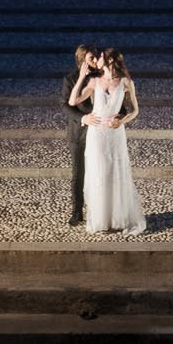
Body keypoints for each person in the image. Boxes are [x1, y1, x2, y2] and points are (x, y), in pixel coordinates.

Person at [70, 47, 146, 234]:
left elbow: (135, 111)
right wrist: (81, 78)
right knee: (99, 174)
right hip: (97, 134)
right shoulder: (94, 81)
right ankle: (100, 219)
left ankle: (117, 217)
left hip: (115, 134)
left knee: (115, 173)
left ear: (111, 61)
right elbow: (73, 101)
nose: (98, 59)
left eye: (102, 57)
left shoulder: (126, 82)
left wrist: (121, 121)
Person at [64, 44, 98, 225]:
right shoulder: (70, 79)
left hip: (100, 134)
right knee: (78, 174)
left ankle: (98, 211)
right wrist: (83, 118)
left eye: (96, 57)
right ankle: (77, 211)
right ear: (82, 60)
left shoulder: (102, 76)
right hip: (79, 134)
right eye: (91, 58)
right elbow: (66, 105)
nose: (95, 60)